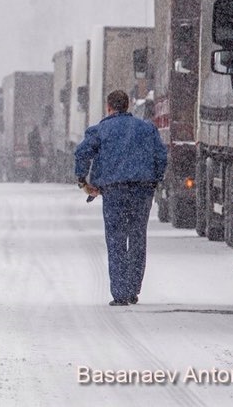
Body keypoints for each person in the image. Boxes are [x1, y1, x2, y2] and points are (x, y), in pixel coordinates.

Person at [74, 89, 167, 307]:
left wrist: (82, 180)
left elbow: (82, 153)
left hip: (114, 192)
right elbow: (161, 156)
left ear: (109, 107)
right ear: (128, 106)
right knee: (137, 237)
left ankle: (119, 292)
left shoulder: (100, 130)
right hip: (142, 190)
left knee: (115, 239)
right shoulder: (147, 129)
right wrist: (155, 179)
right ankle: (133, 289)